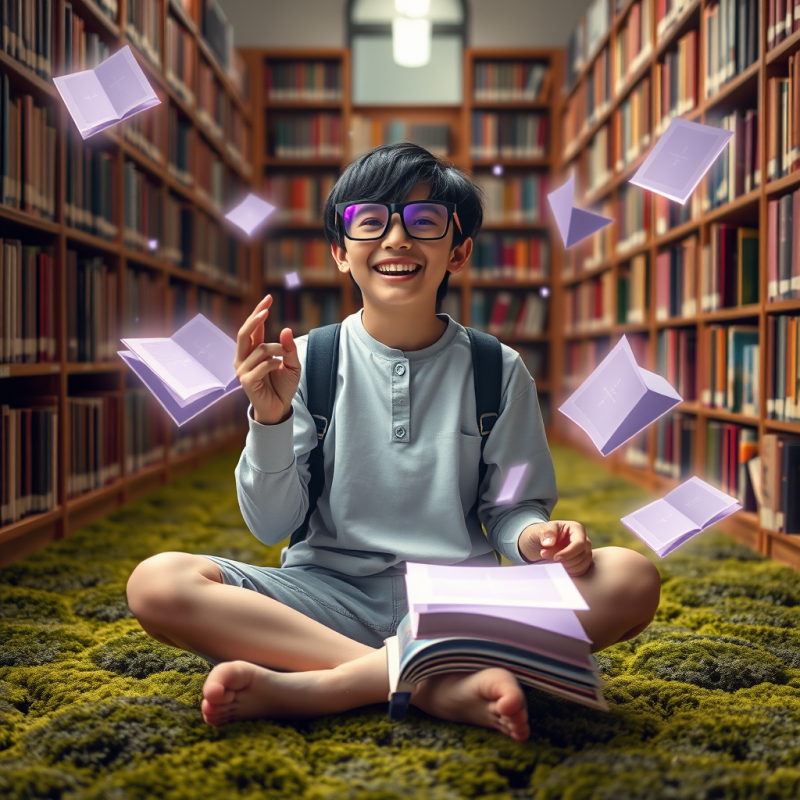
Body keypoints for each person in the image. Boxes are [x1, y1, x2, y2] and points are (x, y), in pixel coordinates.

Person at [126, 143, 661, 742]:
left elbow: (511, 510)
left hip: (460, 601)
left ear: (457, 252)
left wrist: (538, 539)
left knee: (630, 576)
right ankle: (436, 683)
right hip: (325, 596)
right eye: (370, 221)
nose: (396, 239)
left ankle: (328, 684)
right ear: (340, 252)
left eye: (424, 221)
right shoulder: (305, 361)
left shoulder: (497, 368)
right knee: (157, 581)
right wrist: (269, 420)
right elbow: (272, 525)